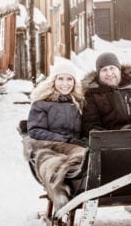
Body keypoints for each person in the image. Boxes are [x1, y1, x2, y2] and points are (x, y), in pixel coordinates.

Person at [23, 57, 88, 215]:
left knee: (87, 154)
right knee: (55, 161)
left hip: (74, 144)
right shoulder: (42, 103)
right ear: (53, 81)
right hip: (49, 144)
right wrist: (65, 140)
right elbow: (36, 130)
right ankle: (59, 191)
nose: (65, 83)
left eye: (69, 79)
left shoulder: (78, 103)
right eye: (60, 79)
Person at [81, 51, 131, 135]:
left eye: (112, 68)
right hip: (110, 138)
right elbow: (90, 124)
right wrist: (109, 137)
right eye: (104, 70)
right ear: (99, 74)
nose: (109, 73)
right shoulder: (92, 95)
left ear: (119, 69)